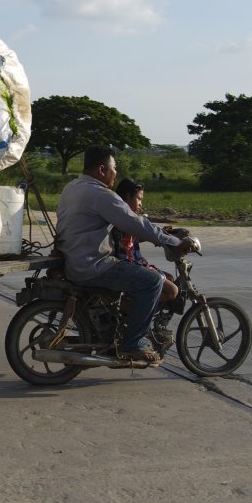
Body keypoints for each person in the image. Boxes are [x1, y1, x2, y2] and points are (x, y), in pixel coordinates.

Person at [55, 145, 196, 362]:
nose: (115, 173)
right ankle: (133, 343)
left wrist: (161, 235)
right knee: (152, 282)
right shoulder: (100, 194)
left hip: (75, 259)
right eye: (114, 168)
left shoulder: (72, 187)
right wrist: (173, 241)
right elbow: (134, 223)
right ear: (102, 169)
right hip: (94, 265)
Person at [111, 178, 182, 312]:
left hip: (134, 263)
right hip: (130, 264)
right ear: (127, 197)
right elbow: (141, 230)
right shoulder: (125, 218)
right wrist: (172, 241)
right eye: (139, 199)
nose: (141, 204)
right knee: (172, 291)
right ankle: (130, 306)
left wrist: (163, 234)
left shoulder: (122, 216)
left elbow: (136, 237)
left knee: (170, 278)